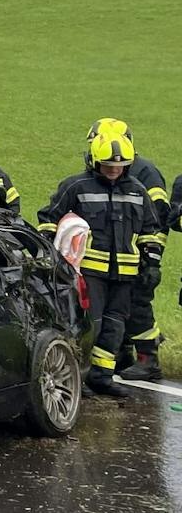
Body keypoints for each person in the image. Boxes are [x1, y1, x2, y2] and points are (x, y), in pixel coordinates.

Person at [38, 130, 165, 398]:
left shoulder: (138, 191)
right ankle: (78, 377)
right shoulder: (76, 186)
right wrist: (52, 253)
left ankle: (101, 376)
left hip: (126, 273)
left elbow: (150, 230)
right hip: (90, 271)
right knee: (89, 324)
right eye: (108, 166)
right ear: (94, 161)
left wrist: (151, 264)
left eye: (119, 167)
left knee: (114, 326)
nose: (113, 171)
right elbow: (49, 218)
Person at [87, 119, 168, 381]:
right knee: (116, 308)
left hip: (136, 251)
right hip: (116, 252)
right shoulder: (104, 169)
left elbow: (155, 217)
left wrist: (150, 260)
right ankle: (122, 355)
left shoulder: (145, 172)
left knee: (137, 304)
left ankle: (148, 359)